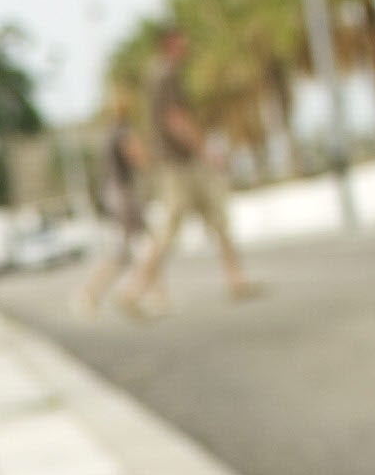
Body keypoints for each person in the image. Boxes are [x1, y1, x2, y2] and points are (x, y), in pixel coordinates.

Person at [123, 27, 260, 312]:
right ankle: (134, 289)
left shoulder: (156, 75)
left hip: (180, 164)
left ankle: (236, 280)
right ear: (169, 45)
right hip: (180, 166)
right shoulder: (165, 74)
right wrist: (205, 150)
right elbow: (175, 120)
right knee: (172, 227)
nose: (187, 47)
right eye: (182, 42)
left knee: (216, 219)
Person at [71, 83, 151, 320]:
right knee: (148, 245)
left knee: (126, 251)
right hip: (123, 194)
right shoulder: (123, 132)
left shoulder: (109, 133)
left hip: (112, 193)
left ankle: (93, 294)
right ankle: (130, 293)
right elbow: (139, 159)